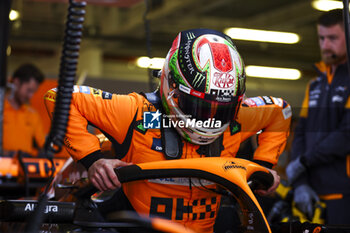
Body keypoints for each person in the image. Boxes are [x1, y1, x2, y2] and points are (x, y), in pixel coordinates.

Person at [44, 28, 292, 232]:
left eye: (221, 109)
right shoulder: (135, 112)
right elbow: (59, 97)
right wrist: (93, 160)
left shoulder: (240, 117)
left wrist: (265, 166)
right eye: (200, 106)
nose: (210, 118)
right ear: (172, 85)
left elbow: (282, 111)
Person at [286, 9, 350, 225]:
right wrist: (301, 182)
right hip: (311, 194)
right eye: (321, 38)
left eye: (332, 38)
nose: (325, 45)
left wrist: (304, 162)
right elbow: (301, 133)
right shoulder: (314, 84)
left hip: (344, 194)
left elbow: (345, 135)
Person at [3, 63, 46, 156]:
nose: (31, 96)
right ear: (16, 82)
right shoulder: (1, 109)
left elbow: (43, 146)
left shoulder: (33, 114)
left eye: (33, 92)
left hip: (25, 167)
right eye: (29, 90)